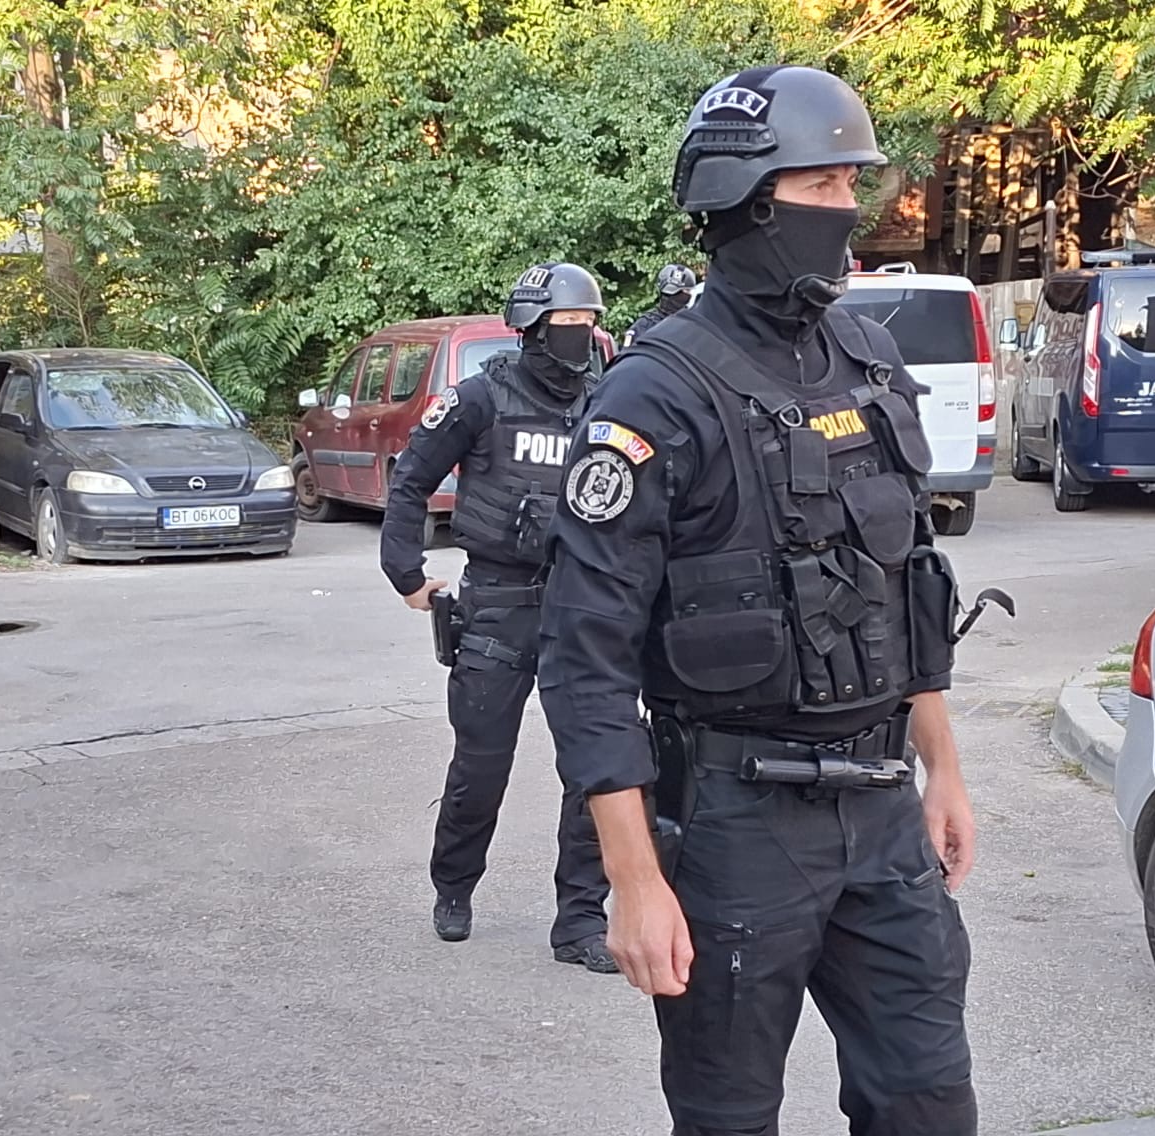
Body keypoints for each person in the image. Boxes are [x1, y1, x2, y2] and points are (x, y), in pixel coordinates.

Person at [538, 66, 978, 1134]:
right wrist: (633, 878)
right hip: (736, 819)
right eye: (821, 183)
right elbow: (585, 657)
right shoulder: (654, 393)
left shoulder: (868, 359)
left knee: (928, 1102)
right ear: (744, 200)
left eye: (851, 182)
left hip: (882, 803)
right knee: (727, 1115)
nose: (846, 207)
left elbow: (904, 585)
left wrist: (943, 768)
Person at [380, 261, 617, 974]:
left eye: (588, 324)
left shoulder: (608, 400)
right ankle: (454, 887)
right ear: (532, 329)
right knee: (481, 766)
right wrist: (408, 575)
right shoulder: (480, 398)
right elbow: (410, 480)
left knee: (597, 770)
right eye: (566, 324)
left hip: (583, 605)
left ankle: (581, 921)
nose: (580, 336)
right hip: (497, 604)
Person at [622, 264, 698, 347]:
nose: (689, 295)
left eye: (688, 291)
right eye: (686, 291)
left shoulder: (692, 325)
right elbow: (628, 352)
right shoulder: (644, 324)